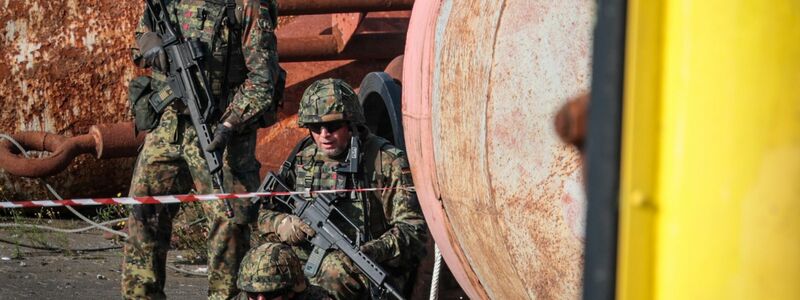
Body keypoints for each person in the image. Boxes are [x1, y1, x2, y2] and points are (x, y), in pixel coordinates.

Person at [122, 0, 281, 299]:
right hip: (168, 127)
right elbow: (141, 40)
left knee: (230, 223)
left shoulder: (247, 6)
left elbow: (263, 81)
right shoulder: (165, 3)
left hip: (222, 129)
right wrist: (154, 49)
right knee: (143, 215)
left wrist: (229, 124)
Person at [256, 78, 428, 299]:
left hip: (370, 266)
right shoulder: (301, 157)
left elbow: (413, 230)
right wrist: (282, 224)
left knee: (334, 270)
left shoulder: (385, 161)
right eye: (316, 127)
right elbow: (261, 213)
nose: (324, 134)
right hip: (307, 258)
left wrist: (372, 250)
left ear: (352, 123)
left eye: (334, 125)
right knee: (260, 273)